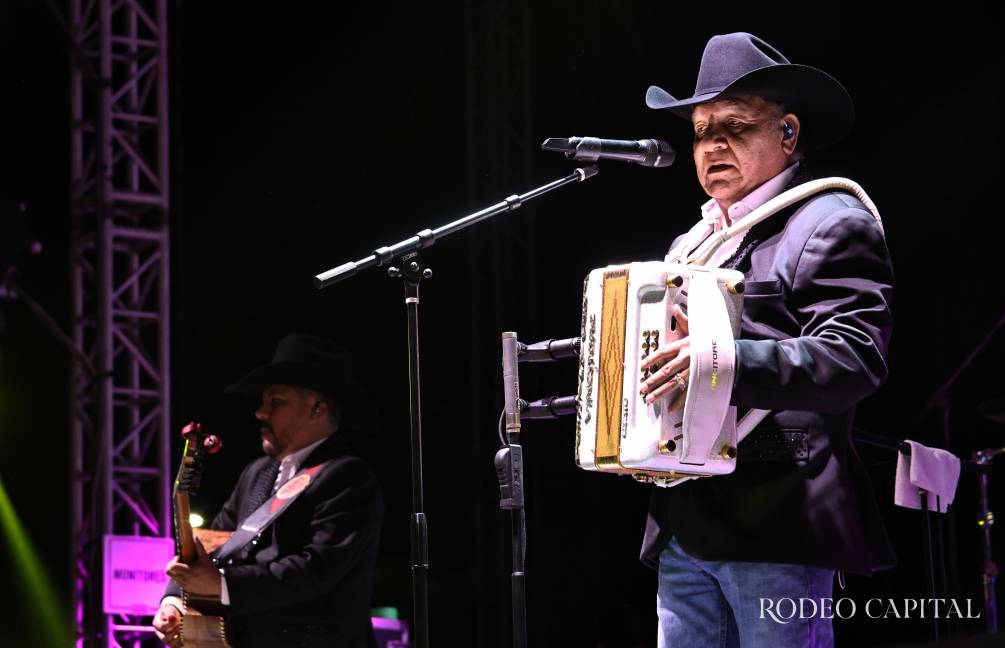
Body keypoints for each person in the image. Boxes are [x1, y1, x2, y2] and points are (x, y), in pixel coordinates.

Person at [636, 33, 895, 647]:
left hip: (777, 519)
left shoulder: (830, 221)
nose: (712, 145)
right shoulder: (690, 244)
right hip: (683, 526)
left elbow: (855, 357)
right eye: (701, 131)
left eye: (735, 126)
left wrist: (717, 362)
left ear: (788, 134)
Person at [152, 334, 383, 647]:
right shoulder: (257, 473)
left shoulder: (348, 477)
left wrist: (223, 585)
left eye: (276, 402)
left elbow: (315, 570)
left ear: (317, 409)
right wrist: (174, 601)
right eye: (263, 401)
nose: (260, 412)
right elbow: (211, 543)